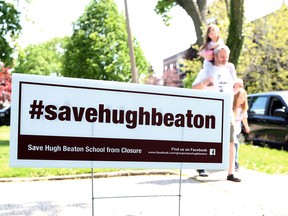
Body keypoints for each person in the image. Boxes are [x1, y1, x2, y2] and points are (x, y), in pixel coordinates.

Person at [192, 44, 241, 182]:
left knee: (231, 141)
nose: (225, 59)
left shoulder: (229, 71)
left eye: (227, 57)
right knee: (206, 140)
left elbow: (230, 91)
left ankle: (231, 173)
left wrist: (237, 88)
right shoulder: (207, 70)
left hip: (227, 111)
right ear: (216, 56)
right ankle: (201, 167)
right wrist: (204, 82)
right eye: (222, 57)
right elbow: (194, 88)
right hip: (210, 111)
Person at [233, 88, 250, 171]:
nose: (242, 99)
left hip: (237, 130)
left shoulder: (243, 109)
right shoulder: (232, 107)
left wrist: (246, 127)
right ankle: (235, 163)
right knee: (235, 144)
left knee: (235, 145)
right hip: (230, 129)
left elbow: (244, 118)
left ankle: (234, 162)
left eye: (244, 97)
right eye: (240, 97)